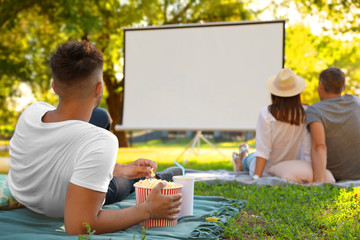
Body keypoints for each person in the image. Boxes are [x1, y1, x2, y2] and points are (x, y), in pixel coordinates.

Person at [8, 40, 182, 235]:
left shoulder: (32, 111)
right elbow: (79, 225)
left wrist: (122, 169)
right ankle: (150, 179)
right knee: (117, 182)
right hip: (65, 201)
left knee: (101, 116)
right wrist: (147, 209)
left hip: (23, 192)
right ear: (99, 88)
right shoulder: (102, 142)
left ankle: (123, 172)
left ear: (54, 87)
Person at [233, 68, 311, 180]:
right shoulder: (307, 112)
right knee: (251, 158)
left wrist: (256, 177)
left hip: (267, 170)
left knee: (250, 158)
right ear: (297, 93)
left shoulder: (266, 114)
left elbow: (262, 152)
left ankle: (242, 156)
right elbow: (308, 150)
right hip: (295, 171)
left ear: (274, 93)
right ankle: (243, 155)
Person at [306, 67, 360, 182]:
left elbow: (319, 147)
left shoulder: (315, 110)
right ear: (343, 87)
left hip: (336, 179)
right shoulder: (356, 102)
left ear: (320, 85)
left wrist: (318, 185)